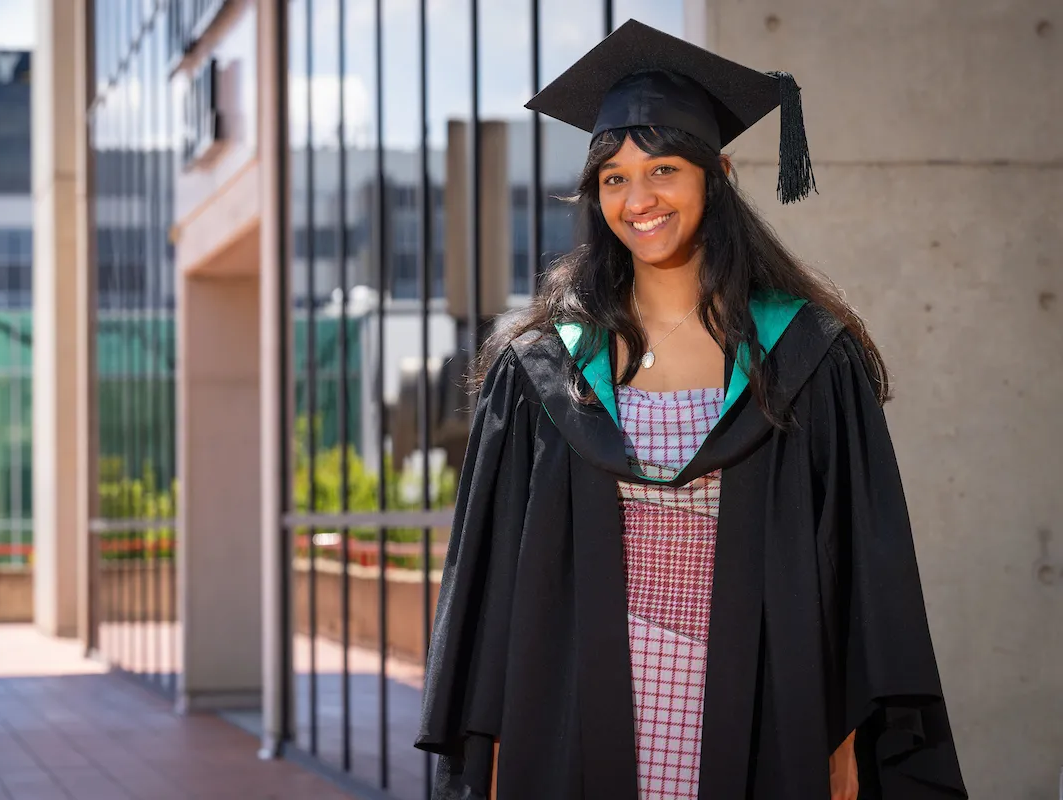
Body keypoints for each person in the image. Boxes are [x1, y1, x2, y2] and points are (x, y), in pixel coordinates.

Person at [414, 18, 967, 800]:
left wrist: (842, 732)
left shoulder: (807, 356)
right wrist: (497, 735)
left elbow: (856, 565)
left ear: (719, 174)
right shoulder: (539, 365)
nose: (638, 199)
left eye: (663, 169)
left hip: (756, 695)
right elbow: (495, 571)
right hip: (577, 695)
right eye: (613, 178)